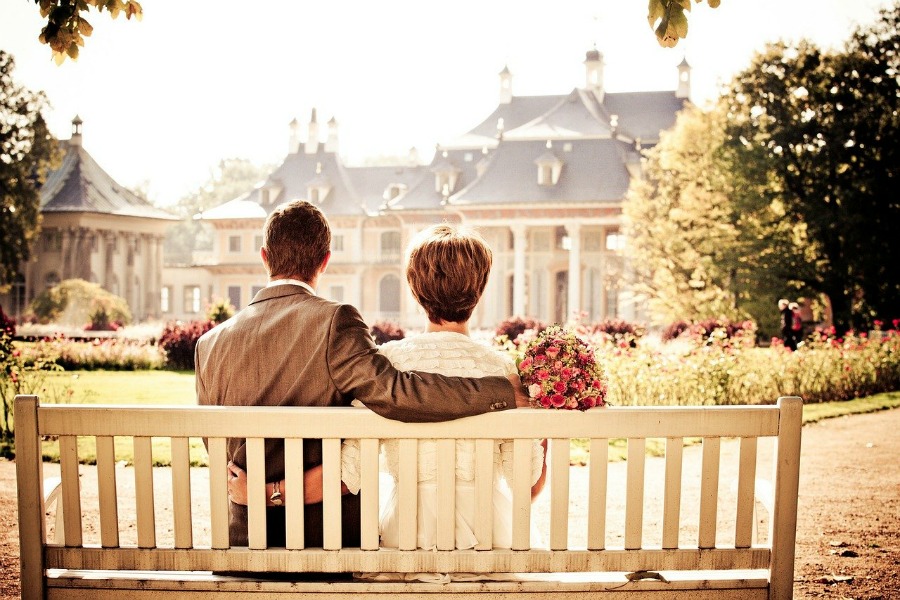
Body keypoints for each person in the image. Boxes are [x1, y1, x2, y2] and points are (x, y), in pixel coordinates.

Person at [195, 200, 529, 548]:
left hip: (242, 540)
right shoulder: (334, 321)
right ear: (325, 260)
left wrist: (261, 493)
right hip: (325, 543)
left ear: (264, 257)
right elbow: (396, 393)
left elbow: (218, 449)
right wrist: (501, 392)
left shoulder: (208, 344)